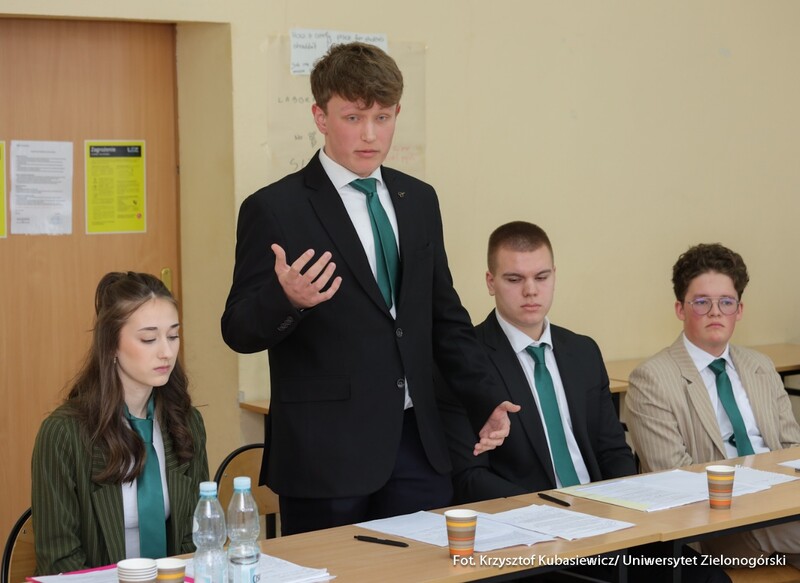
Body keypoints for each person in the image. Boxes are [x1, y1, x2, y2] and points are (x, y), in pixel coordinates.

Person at [221, 41, 518, 536]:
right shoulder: (275, 208)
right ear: (320, 116)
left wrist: (484, 398)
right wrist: (286, 300)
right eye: (353, 117)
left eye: (382, 117)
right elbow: (237, 329)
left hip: (418, 445)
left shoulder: (418, 199)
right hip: (326, 456)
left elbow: (443, 316)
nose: (370, 134)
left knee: (423, 567)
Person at [437, 223, 730, 583]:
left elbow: (612, 450)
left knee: (707, 578)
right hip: (528, 534)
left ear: (554, 276)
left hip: (605, 522)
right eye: (514, 279)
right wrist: (556, 511)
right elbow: (469, 478)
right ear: (490, 282)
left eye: (541, 277)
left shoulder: (582, 351)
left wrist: (628, 510)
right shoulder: (464, 362)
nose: (531, 290)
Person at [626, 243, 800, 566]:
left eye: (726, 302)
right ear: (680, 309)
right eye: (702, 302)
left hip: (782, 511)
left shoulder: (761, 366)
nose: (716, 312)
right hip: (717, 527)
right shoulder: (651, 379)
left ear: (739, 310)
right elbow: (675, 480)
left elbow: (793, 452)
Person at [31, 272, 209, 575]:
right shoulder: (63, 434)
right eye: (149, 339)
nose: (166, 352)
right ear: (111, 345)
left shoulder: (186, 422)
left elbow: (196, 540)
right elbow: (59, 562)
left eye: (173, 336)